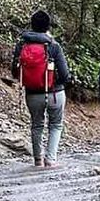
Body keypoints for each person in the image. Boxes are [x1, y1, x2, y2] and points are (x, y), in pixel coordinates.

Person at [11, 10, 71, 169]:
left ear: (32, 25)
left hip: (32, 93)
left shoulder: (22, 44)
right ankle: (50, 160)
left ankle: (38, 160)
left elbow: (14, 71)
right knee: (56, 125)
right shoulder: (54, 45)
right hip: (55, 93)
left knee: (36, 125)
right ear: (48, 26)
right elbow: (65, 75)